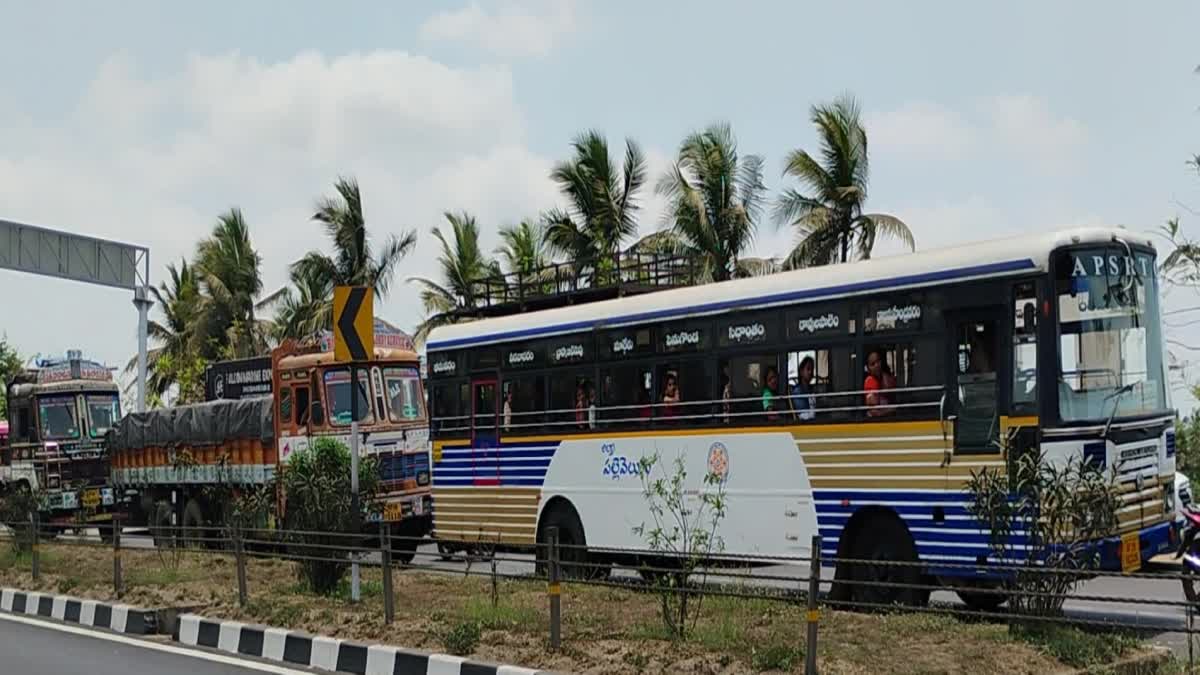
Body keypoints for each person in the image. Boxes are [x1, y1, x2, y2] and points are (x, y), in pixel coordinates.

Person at [865, 350, 896, 417]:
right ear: (868, 368)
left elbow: (891, 391)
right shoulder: (870, 381)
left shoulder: (885, 377)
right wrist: (890, 409)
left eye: (878, 361)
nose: (876, 365)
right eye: (873, 364)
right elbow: (874, 412)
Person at [793, 356, 816, 421]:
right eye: (808, 369)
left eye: (812, 369)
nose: (810, 372)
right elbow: (803, 415)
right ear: (801, 372)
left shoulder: (810, 389)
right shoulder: (798, 391)